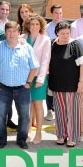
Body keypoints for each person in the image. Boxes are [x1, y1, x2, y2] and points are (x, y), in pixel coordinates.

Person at [0, 21, 39, 150]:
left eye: (14, 31)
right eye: (8, 31)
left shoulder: (26, 48)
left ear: (18, 33)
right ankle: (1, 140)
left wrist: (28, 83)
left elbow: (34, 67)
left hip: (22, 88)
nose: (11, 34)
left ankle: (21, 139)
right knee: (0, 115)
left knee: (24, 115)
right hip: (2, 87)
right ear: (5, 33)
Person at [49, 21, 83, 147]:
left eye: (67, 33)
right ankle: (61, 135)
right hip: (57, 84)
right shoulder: (52, 44)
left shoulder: (75, 45)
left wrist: (81, 82)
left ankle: (72, 137)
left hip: (73, 85)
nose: (65, 35)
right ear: (57, 33)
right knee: (59, 111)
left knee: (73, 112)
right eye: (62, 33)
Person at [24, 14, 51, 144]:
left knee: (38, 104)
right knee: (27, 105)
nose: (34, 27)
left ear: (40, 26)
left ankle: (38, 133)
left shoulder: (45, 40)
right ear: (28, 26)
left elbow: (45, 60)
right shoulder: (22, 38)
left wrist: (40, 79)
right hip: (24, 78)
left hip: (39, 77)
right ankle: (27, 131)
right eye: (32, 24)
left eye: (36, 24)